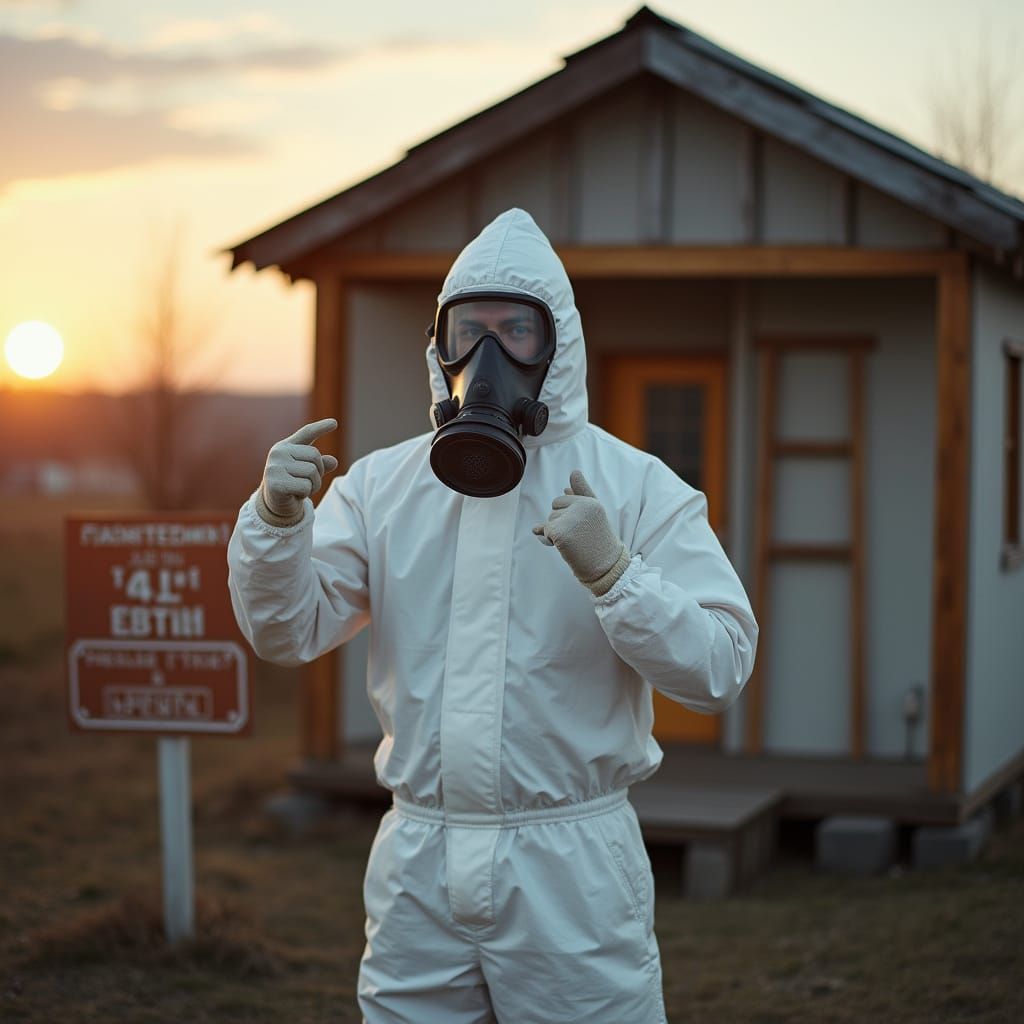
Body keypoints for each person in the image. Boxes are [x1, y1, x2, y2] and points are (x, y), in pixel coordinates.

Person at [227, 207, 758, 1023]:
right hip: (418, 862)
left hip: (570, 867)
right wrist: (275, 523)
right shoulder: (382, 486)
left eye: (517, 331)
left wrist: (618, 574)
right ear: (440, 348)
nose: (490, 356)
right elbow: (286, 630)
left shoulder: (634, 486)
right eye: (469, 331)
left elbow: (720, 667)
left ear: (559, 347)